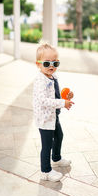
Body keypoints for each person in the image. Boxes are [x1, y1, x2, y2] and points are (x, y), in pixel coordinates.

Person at [33, 43, 74, 182]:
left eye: (55, 62)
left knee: (59, 136)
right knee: (47, 145)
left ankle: (56, 158)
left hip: (53, 116)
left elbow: (56, 95)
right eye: (47, 63)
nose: (51, 66)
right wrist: (62, 103)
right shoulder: (40, 80)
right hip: (44, 119)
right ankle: (45, 171)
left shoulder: (53, 76)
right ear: (38, 64)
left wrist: (65, 98)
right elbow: (43, 100)